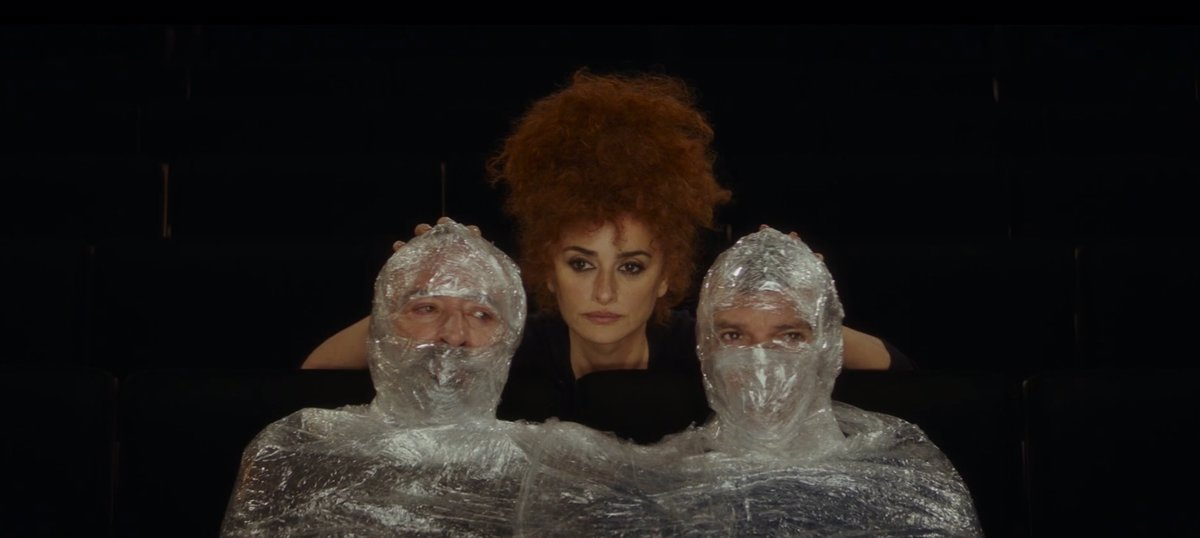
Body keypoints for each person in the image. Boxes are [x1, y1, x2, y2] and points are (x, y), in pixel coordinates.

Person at [301, 70, 910, 442]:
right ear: (547, 267)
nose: (604, 293)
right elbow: (315, 375)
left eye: (632, 267)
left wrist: (807, 304)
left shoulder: (711, 347)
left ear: (667, 276)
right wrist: (413, 294)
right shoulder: (499, 345)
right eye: (581, 263)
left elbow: (898, 372)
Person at [221, 221, 534, 536]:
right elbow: (318, 372)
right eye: (426, 308)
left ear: (511, 335)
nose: (454, 335)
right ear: (384, 325)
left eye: (481, 313)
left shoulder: (546, 466)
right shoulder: (296, 451)